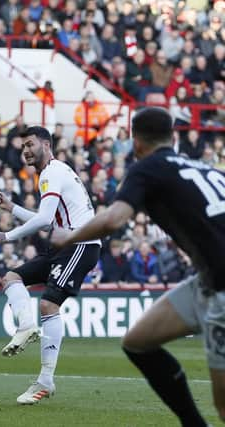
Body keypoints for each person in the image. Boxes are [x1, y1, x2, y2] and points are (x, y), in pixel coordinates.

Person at [50, 107, 225, 426]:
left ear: (136, 143)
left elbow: (115, 218)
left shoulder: (148, 168)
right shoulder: (201, 166)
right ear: (173, 137)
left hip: (222, 289)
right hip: (208, 279)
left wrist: (69, 237)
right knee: (138, 342)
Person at [0, 126, 101, 404]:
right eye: (22, 146)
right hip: (62, 242)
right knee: (11, 277)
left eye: (30, 144)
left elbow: (44, 219)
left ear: (46, 145)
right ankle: (26, 326)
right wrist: (13, 208)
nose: (25, 150)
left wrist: (7, 235)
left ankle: (45, 380)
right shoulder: (52, 173)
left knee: (49, 305)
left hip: (81, 243)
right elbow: (48, 219)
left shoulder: (52, 172)